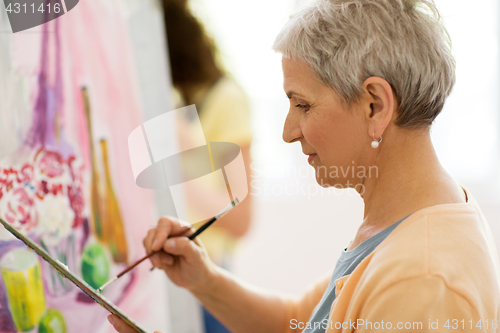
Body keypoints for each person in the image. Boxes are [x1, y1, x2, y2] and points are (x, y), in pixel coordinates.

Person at [109, 0, 500, 332]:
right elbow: (298, 321)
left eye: (303, 104)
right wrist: (204, 280)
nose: (287, 132)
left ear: (374, 106)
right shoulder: (398, 221)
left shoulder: (422, 282)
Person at [161, 0, 253, 332]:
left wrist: (177, 161)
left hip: (207, 272)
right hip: (162, 274)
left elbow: (241, 217)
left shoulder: (225, 98)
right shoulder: (168, 96)